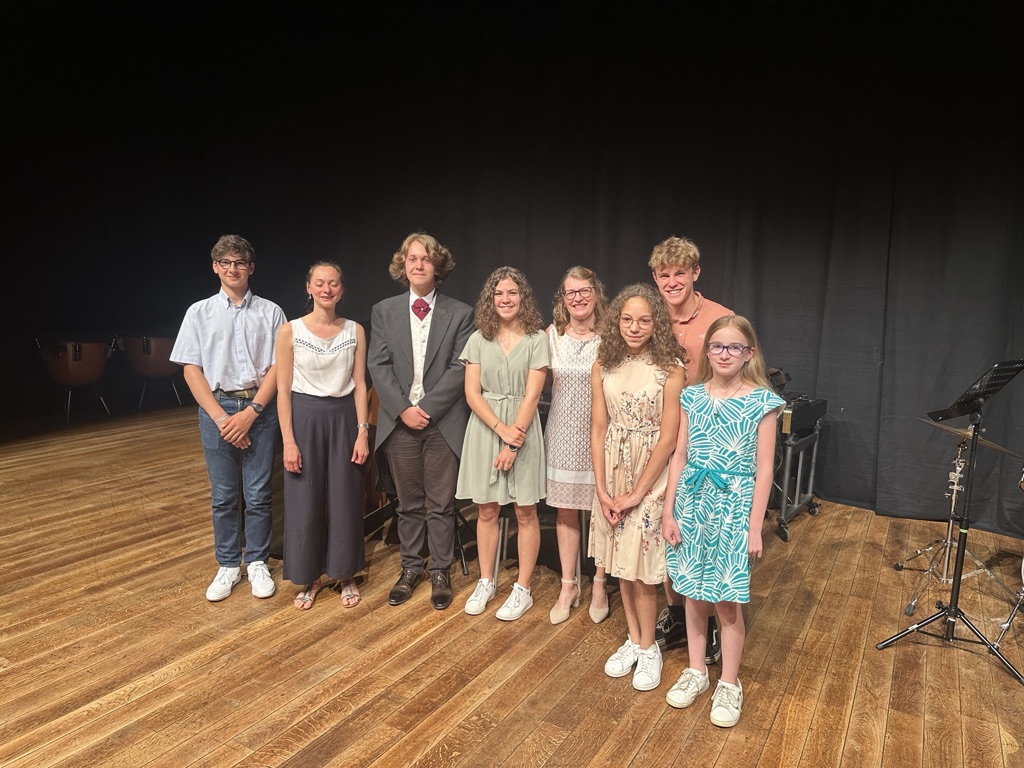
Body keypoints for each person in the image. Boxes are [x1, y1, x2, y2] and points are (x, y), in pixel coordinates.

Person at [662, 315, 783, 726]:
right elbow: (679, 456)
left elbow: (764, 470)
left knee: (727, 601)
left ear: (749, 353)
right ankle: (696, 670)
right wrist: (669, 511)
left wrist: (754, 526)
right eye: (717, 346)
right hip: (693, 504)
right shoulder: (692, 396)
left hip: (733, 507)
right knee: (692, 593)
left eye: (735, 347)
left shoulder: (762, 402)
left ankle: (729, 682)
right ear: (708, 351)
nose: (725, 354)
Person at [170, 234, 286, 602]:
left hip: (259, 410)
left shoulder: (271, 312)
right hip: (216, 409)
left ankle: (257, 561)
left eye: (239, 262)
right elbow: (191, 369)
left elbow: (278, 368)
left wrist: (252, 412)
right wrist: (222, 419)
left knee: (258, 494)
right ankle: (228, 564)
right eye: (225, 263)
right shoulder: (198, 312)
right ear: (215, 267)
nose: (232, 269)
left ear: (251, 267)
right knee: (223, 496)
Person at [367, 232, 474, 611]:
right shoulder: (384, 311)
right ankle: (411, 568)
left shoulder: (460, 313)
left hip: (441, 423)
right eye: (412, 258)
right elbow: (378, 365)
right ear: (403, 264)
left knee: (441, 505)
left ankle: (441, 571)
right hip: (399, 423)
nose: (418, 264)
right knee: (408, 505)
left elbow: (460, 367)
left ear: (437, 265)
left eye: (425, 259)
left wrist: (425, 408)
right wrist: (403, 409)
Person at [590, 284, 684, 692]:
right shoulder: (603, 364)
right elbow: (598, 428)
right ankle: (633, 638)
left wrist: (636, 494)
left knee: (643, 570)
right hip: (612, 472)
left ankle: (650, 649)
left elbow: (668, 438)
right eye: (627, 319)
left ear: (656, 323)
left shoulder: (671, 369)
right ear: (616, 321)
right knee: (620, 565)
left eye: (644, 320)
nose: (634, 327)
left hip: (650, 476)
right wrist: (601, 488)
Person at [650, 235, 733, 662]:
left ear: (695, 272)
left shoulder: (721, 318)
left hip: (705, 438)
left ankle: (712, 619)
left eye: (679, 273)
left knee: (705, 532)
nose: (672, 282)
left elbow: (739, 376)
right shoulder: (649, 316)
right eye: (663, 275)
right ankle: (678, 612)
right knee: (665, 528)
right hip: (657, 434)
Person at [276, 261, 370, 609]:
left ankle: (345, 574)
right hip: (305, 417)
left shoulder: (355, 330)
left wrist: (362, 432)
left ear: (341, 290)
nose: (326, 289)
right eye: (320, 283)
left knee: (346, 497)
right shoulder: (290, 331)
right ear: (309, 287)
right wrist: (288, 441)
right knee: (305, 499)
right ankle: (309, 577)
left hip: (344, 417)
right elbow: (282, 390)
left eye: (333, 283)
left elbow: (360, 385)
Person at [456, 266, 549, 620]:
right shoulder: (479, 338)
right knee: (486, 510)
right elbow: (472, 393)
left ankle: (522, 588)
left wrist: (513, 441)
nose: (505, 299)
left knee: (526, 511)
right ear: (490, 299)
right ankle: (486, 581)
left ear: (522, 297)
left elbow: (533, 395)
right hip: (485, 429)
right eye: (499, 293)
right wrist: (500, 429)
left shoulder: (537, 339)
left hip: (523, 431)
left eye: (512, 292)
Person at [544, 266, 609, 625]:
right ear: (563, 299)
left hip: (601, 437)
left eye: (585, 290)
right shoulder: (551, 336)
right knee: (565, 512)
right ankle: (569, 586)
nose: (578, 298)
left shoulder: (611, 337)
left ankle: (599, 582)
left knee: (602, 511)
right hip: (561, 435)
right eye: (571, 292)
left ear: (596, 293)